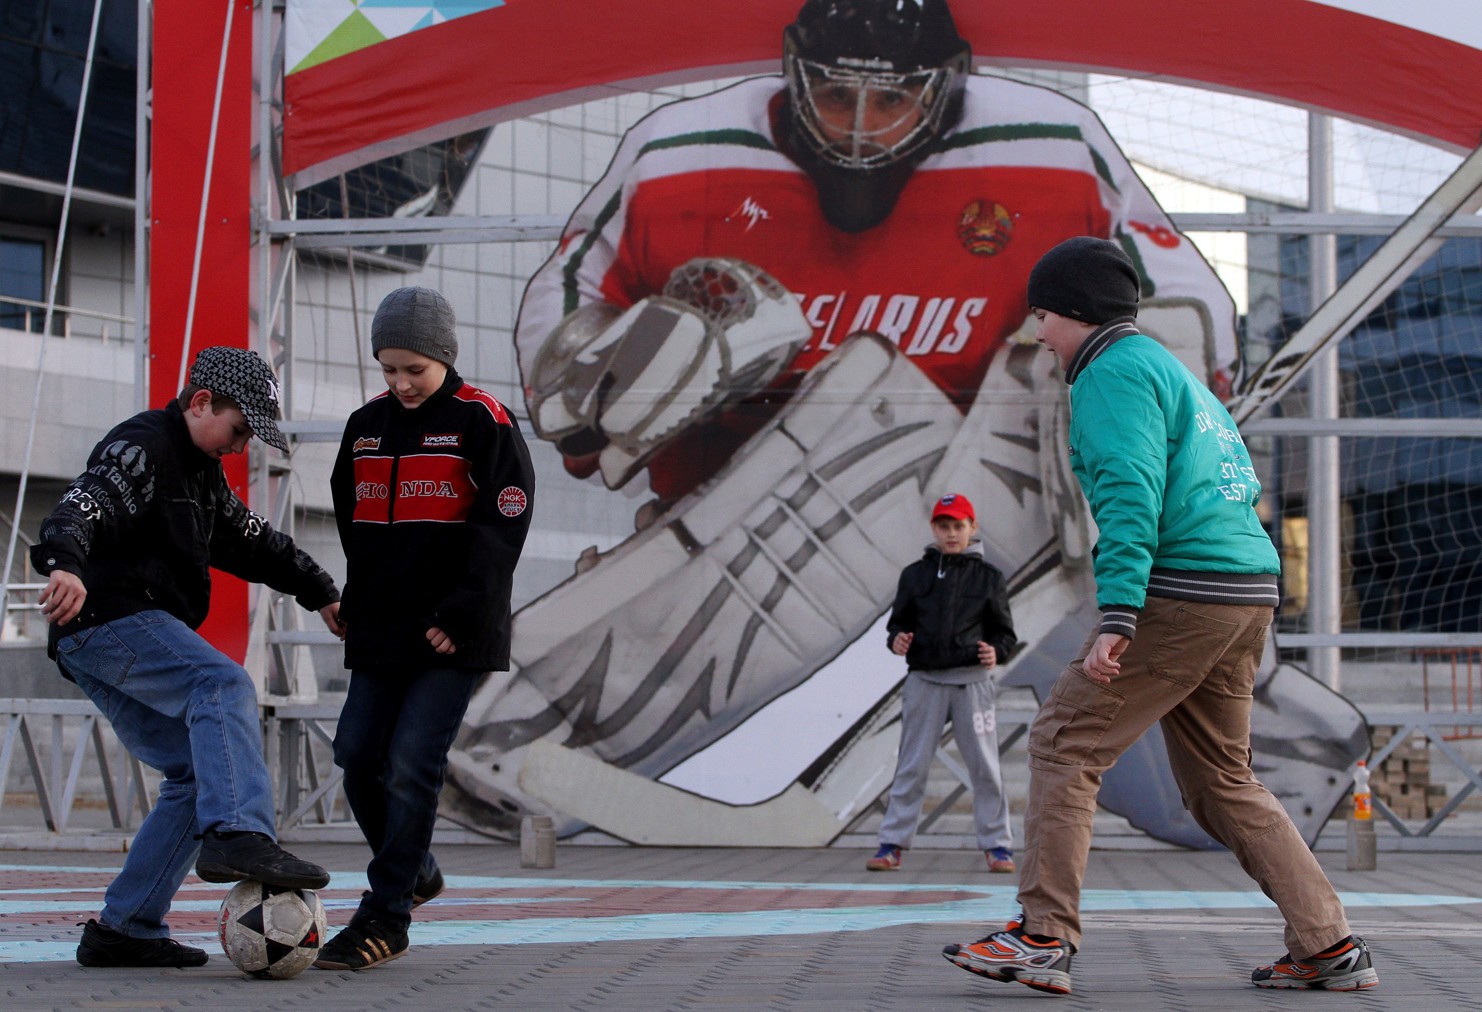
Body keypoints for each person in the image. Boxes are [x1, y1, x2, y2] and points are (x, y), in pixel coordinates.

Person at [445, 0, 1257, 846]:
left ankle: (1240, 804)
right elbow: (565, 325)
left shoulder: (1055, 144)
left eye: (891, 98)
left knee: (1198, 777)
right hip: (742, 522)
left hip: (1013, 521)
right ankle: (532, 754)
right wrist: (615, 370)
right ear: (796, 75)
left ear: (943, 86)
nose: (862, 127)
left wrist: (1111, 407)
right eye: (837, 96)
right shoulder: (677, 152)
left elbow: (1190, 313)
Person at [941, 236, 1379, 994]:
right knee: (1221, 780)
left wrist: (1118, 614)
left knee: (1064, 742)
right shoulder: (1171, 371)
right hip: (1244, 589)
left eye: (1043, 315)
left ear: (1076, 311)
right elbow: (1234, 486)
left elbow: (1129, 494)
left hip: (1183, 592)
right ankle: (1329, 945)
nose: (1038, 332)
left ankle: (1042, 936)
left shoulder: (1109, 373)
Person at [30, 345, 342, 969]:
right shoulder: (144, 447)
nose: (241, 447)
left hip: (98, 641)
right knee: (221, 683)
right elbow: (85, 503)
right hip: (107, 617)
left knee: (197, 773)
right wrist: (64, 562)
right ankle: (239, 832)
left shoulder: (203, 476)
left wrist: (322, 592)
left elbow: (256, 543)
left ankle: (125, 927)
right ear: (202, 402)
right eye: (239, 429)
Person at [316, 287, 535, 970]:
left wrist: (463, 612)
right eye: (389, 369)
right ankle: (414, 868)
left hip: (452, 634)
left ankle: (386, 916)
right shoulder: (365, 426)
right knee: (357, 757)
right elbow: (353, 522)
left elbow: (503, 525)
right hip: (380, 630)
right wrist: (355, 598)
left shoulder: (483, 420)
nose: (402, 383)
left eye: (415, 369)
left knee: (412, 763)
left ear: (445, 356)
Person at [867, 492, 1018, 874]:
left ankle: (997, 847)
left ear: (972, 527)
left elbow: (1005, 634)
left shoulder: (990, 578)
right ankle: (891, 844)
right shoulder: (914, 575)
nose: (951, 533)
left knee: (985, 767)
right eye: (944, 526)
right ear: (934, 529)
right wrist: (896, 640)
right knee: (912, 765)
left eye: (958, 526)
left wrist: (996, 652)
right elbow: (897, 625)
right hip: (924, 681)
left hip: (972, 684)